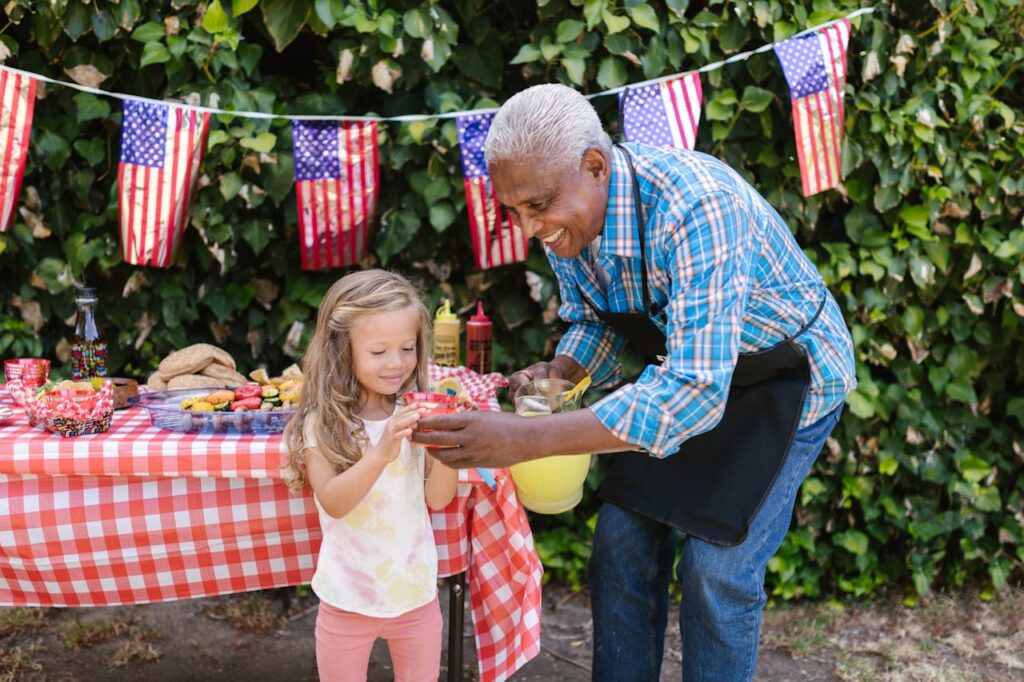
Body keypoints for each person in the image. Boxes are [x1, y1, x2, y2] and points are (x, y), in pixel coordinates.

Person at [413, 84, 856, 681]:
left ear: (594, 167)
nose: (528, 228)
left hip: (787, 378)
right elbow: (596, 318)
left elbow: (695, 395)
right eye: (512, 211)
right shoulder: (566, 217)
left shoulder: (698, 207)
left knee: (715, 570)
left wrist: (527, 439)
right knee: (619, 543)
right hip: (682, 374)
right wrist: (565, 371)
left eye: (537, 206)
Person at [283, 269, 458, 682]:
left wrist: (448, 445)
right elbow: (334, 502)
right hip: (347, 598)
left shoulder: (415, 413)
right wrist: (380, 454)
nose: (396, 363)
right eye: (379, 352)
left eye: (407, 348)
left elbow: (439, 499)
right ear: (342, 350)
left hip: (414, 595)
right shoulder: (323, 423)